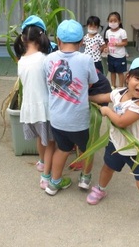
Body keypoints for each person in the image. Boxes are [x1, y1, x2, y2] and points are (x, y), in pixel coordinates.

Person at [87, 57, 139, 228]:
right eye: (138, 78)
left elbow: (122, 122)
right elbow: (103, 96)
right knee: (107, 168)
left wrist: (107, 110)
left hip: (137, 150)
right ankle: (100, 189)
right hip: (116, 143)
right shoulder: (118, 93)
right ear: (128, 77)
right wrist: (86, 97)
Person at [43, 19, 99, 195]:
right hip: (79, 120)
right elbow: (92, 82)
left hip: (57, 119)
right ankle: (85, 178)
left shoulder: (49, 59)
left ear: (58, 40)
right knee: (87, 149)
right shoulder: (86, 59)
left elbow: (49, 83)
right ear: (82, 41)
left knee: (62, 149)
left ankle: (54, 183)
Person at [14, 15, 55, 189]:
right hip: (45, 108)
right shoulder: (45, 59)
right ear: (42, 36)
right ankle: (46, 176)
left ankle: (41, 161)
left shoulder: (21, 61)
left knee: (41, 138)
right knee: (51, 143)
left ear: (23, 38)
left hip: (30, 109)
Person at [104, 12, 128, 88]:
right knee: (112, 72)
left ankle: (121, 87)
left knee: (120, 73)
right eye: (111, 21)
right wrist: (107, 48)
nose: (113, 23)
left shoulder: (122, 31)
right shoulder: (108, 32)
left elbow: (125, 42)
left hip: (120, 56)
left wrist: (117, 44)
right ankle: (113, 85)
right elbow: (108, 42)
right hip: (111, 55)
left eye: (115, 21)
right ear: (108, 22)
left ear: (119, 21)